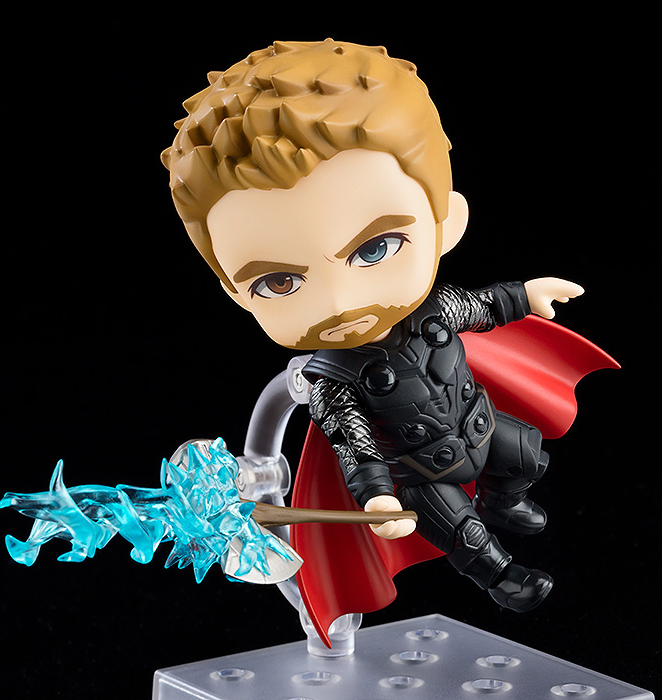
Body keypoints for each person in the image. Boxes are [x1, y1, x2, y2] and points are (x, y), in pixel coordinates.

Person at [161, 39, 609, 634]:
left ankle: (505, 500)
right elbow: (353, 440)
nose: (340, 303)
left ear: (446, 222)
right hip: (418, 471)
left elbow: (478, 306)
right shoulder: (330, 377)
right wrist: (376, 498)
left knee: (528, 456)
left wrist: (524, 296)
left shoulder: (433, 310)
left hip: (476, 421)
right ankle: (504, 579)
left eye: (374, 249)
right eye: (279, 282)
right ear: (236, 293)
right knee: (464, 534)